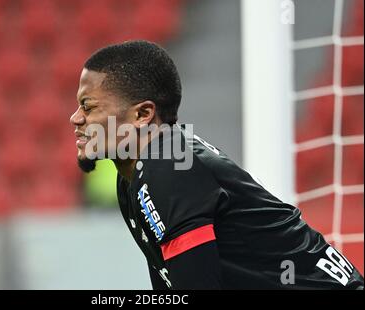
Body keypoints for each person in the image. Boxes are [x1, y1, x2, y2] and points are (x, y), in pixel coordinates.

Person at [69, 40, 364, 289]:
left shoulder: (168, 166)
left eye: (89, 106)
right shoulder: (134, 177)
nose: (76, 118)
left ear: (142, 114)